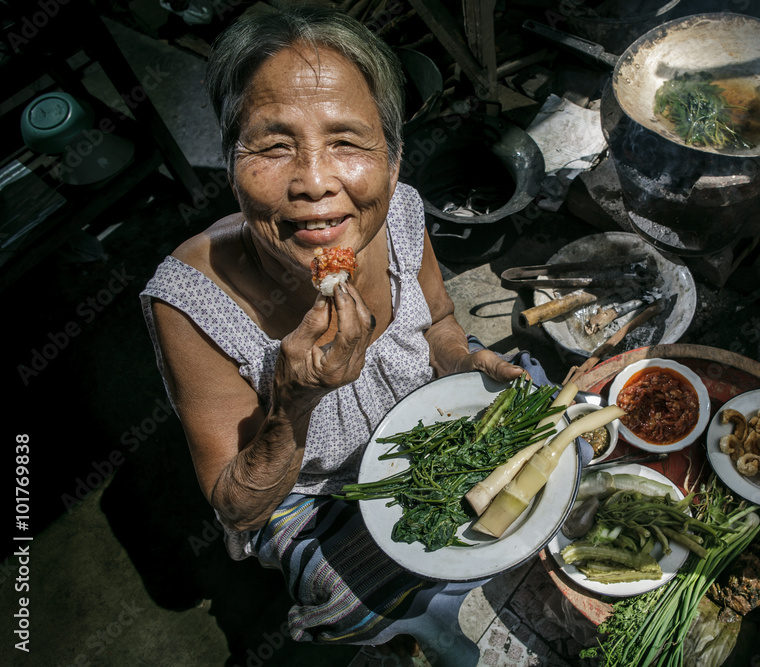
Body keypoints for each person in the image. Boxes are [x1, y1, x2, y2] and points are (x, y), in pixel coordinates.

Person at [139, 4, 522, 663]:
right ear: (231, 163)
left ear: (394, 160)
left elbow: (440, 324)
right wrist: (292, 403)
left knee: (550, 439)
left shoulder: (399, 210)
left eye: (347, 141)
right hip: (314, 490)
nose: (315, 182)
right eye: (273, 144)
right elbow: (239, 508)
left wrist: (466, 358)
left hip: (422, 430)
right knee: (418, 605)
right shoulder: (187, 302)